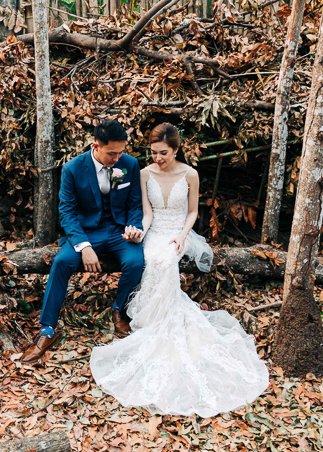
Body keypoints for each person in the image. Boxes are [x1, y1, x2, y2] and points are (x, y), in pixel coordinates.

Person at [89, 123, 270, 418]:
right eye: (153, 152)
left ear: (175, 150)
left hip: (179, 232)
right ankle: (153, 319)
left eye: (163, 152)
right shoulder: (144, 174)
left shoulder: (190, 174)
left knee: (167, 259)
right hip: (154, 232)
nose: (157, 158)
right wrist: (139, 232)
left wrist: (183, 236)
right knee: (151, 257)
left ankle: (163, 319)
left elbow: (193, 212)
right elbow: (147, 214)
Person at [22, 120, 145, 363]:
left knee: (135, 262)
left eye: (121, 152)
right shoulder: (72, 168)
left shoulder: (129, 164)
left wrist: (134, 227)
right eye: (112, 153)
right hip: (87, 232)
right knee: (61, 263)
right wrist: (84, 246)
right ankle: (47, 329)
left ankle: (119, 309)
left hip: (119, 231)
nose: (117, 158)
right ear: (95, 146)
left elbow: (134, 204)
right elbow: (67, 212)